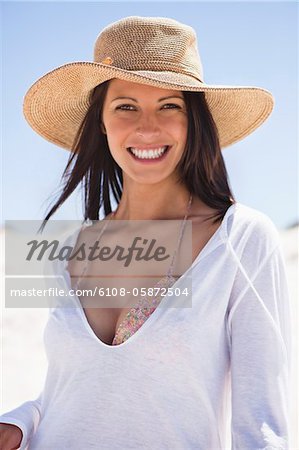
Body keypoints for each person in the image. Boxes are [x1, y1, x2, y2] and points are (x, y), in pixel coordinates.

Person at [0, 15, 291, 450]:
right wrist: (21, 422)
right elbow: (74, 390)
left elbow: (263, 428)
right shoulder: (62, 250)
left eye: (169, 105)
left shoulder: (241, 239)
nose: (147, 127)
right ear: (101, 121)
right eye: (126, 106)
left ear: (193, 120)